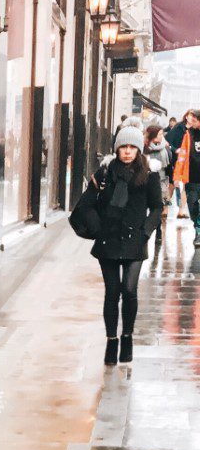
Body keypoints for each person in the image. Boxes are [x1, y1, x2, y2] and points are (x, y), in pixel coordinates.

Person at [80, 122, 163, 366]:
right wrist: (96, 226)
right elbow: (89, 202)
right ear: (116, 149)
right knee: (112, 292)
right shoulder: (106, 172)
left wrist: (146, 231)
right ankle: (111, 340)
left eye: (132, 147)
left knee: (129, 290)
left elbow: (157, 207)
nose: (127, 151)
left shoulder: (149, 173)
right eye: (123, 147)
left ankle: (127, 337)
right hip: (108, 238)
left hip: (135, 239)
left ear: (139, 150)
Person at [165, 109, 200, 234]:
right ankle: (197, 227)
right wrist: (177, 175)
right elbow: (182, 156)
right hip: (191, 176)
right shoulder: (188, 134)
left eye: (194, 120)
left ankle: (198, 229)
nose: (191, 122)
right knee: (192, 203)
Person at [145, 124, 174, 227]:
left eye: (162, 133)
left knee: (160, 208)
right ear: (153, 135)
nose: (162, 136)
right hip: (145, 181)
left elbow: (169, 169)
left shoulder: (166, 148)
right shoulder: (144, 148)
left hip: (162, 183)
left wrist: (171, 184)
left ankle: (158, 231)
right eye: (160, 134)